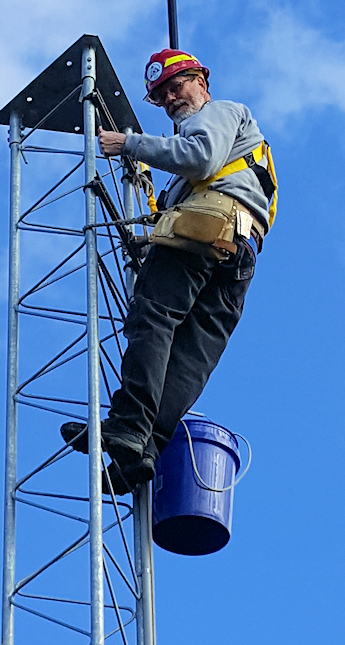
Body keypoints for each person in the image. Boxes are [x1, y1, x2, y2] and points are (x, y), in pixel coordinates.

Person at [60, 49, 276, 493]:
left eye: (177, 86)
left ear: (201, 81)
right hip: (238, 250)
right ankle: (141, 453)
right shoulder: (234, 150)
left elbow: (199, 157)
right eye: (161, 95)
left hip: (207, 229)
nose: (171, 98)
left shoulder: (221, 113)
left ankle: (126, 426)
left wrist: (129, 144)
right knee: (189, 358)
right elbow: (198, 172)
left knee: (152, 320)